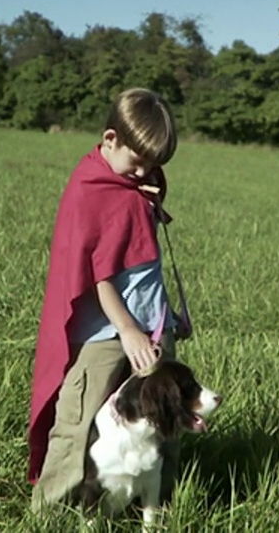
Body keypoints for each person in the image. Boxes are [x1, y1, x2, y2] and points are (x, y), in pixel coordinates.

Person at [28, 87, 184, 512]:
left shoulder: (139, 184)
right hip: (105, 333)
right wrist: (129, 330)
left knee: (162, 418)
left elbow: (142, 263)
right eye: (137, 162)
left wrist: (165, 317)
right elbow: (99, 273)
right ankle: (48, 509)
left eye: (153, 165)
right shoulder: (90, 187)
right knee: (77, 423)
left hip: (152, 327)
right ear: (110, 138)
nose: (144, 172)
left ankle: (155, 505)